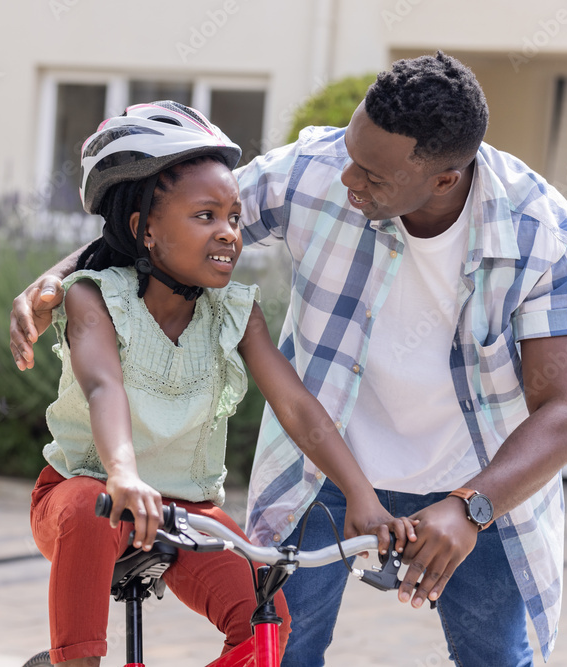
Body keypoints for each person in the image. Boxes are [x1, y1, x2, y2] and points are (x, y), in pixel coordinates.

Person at [13, 53, 567, 667]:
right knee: (281, 650)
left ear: (443, 181)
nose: (347, 178)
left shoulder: (544, 236)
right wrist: (54, 281)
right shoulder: (313, 170)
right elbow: (161, 220)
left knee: (497, 661)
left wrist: (472, 508)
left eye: (373, 174)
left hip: (478, 488)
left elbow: (564, 411)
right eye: (350, 150)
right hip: (319, 478)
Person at [27, 100, 413, 667]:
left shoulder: (234, 311)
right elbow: (104, 386)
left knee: (267, 621)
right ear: (146, 231)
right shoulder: (95, 297)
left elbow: (297, 406)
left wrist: (363, 497)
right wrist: (124, 474)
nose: (230, 233)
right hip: (87, 491)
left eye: (234, 217)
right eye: (205, 216)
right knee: (91, 506)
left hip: (186, 511)